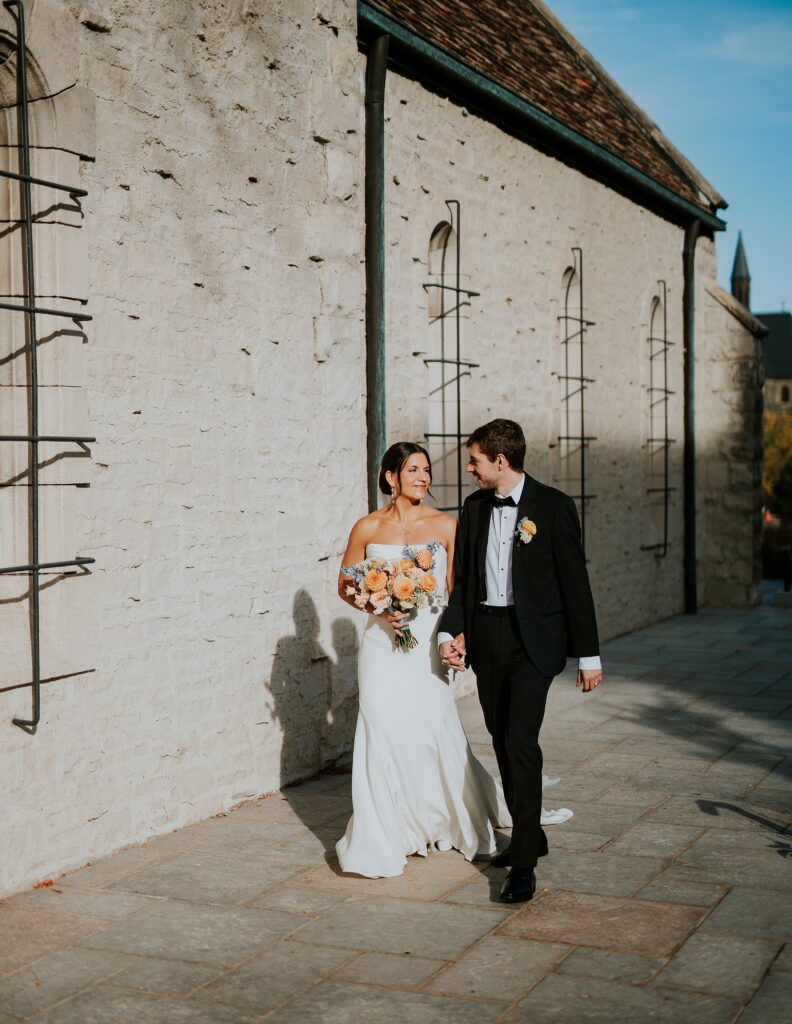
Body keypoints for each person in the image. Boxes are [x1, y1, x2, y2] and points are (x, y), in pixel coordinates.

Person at [439, 419, 602, 904]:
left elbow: (575, 583)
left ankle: (524, 864)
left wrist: (588, 655)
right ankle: (533, 832)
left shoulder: (553, 507)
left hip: (535, 642)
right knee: (500, 739)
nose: (469, 469)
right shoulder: (473, 508)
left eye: (474, 461)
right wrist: (452, 628)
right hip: (488, 637)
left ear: (500, 461)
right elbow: (463, 582)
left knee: (520, 740)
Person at [335, 441, 510, 877]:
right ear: (391, 476)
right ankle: (387, 830)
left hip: (428, 642)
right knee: (380, 723)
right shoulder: (366, 528)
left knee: (431, 725)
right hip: (381, 645)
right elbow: (346, 583)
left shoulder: (446, 525)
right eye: (413, 469)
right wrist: (377, 606)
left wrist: (458, 638)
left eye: (426, 470)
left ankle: (440, 817)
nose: (423, 477)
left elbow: (459, 590)